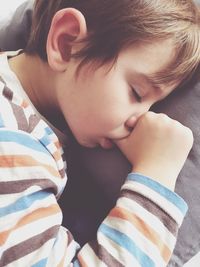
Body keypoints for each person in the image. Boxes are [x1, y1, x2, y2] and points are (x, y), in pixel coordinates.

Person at [0, 0, 199, 266]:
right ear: (67, 43)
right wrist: (158, 172)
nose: (141, 120)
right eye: (137, 93)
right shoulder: (14, 143)